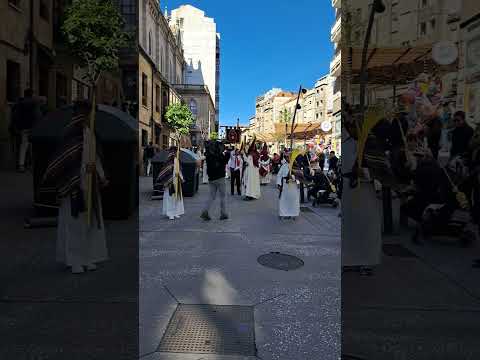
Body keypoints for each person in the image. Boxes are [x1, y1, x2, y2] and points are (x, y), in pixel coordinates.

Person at [39, 101, 109, 274]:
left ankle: (89, 257)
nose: (91, 117)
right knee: (74, 222)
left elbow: (95, 157)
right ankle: (75, 259)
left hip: (90, 183)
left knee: (90, 222)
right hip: (74, 184)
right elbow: (65, 158)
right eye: (89, 113)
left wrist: (100, 175)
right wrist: (82, 170)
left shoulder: (91, 133)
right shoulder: (71, 133)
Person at [341, 108, 382, 276]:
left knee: (367, 227)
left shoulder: (372, 144)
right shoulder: (344, 142)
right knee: (348, 227)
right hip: (348, 192)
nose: (352, 127)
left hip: (366, 192)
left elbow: (382, 170)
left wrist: (365, 173)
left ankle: (367, 261)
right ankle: (347, 260)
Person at [10, 88, 42, 172]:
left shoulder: (19, 103)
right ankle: (33, 164)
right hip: (32, 127)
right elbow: (37, 115)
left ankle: (21, 165)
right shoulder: (34, 103)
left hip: (22, 127)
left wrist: (16, 127)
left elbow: (15, 116)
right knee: (34, 146)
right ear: (31, 94)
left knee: (23, 145)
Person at [201, 141, 230, 220]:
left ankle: (205, 211)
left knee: (211, 196)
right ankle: (223, 213)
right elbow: (225, 161)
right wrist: (228, 153)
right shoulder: (219, 155)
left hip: (211, 179)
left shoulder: (208, 155)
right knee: (223, 196)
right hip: (220, 178)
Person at [157, 146, 184, 220]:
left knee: (176, 197)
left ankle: (175, 212)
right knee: (169, 198)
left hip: (177, 182)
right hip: (170, 183)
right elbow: (165, 171)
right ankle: (170, 213)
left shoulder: (177, 160)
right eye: (176, 152)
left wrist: (180, 177)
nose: (178, 153)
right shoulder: (168, 161)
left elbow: (180, 170)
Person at [277, 152, 300, 219]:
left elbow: (300, 176)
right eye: (286, 157)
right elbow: (279, 175)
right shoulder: (283, 165)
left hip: (293, 186)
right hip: (285, 186)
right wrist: (279, 184)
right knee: (284, 200)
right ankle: (283, 213)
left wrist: (294, 178)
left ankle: (293, 213)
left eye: (288, 157)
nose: (287, 158)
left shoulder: (296, 165)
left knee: (293, 200)